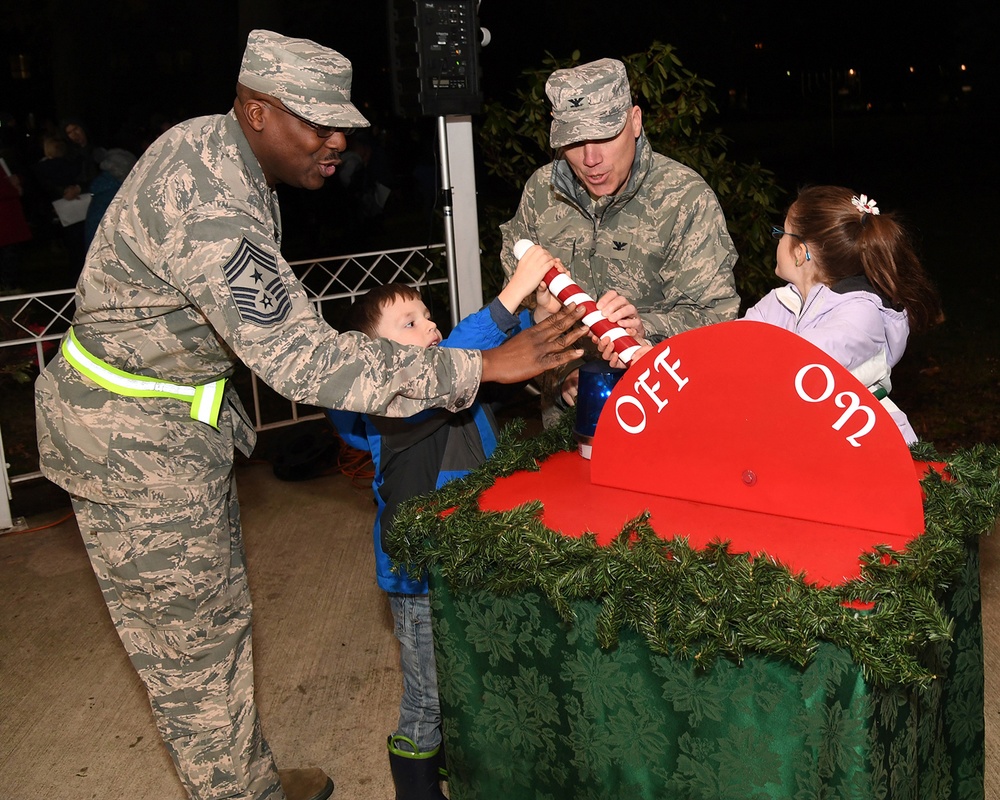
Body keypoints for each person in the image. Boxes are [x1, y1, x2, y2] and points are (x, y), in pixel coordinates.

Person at [34, 29, 586, 800]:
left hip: (163, 423)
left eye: (342, 126)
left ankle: (244, 775)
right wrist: (481, 365)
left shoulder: (219, 151)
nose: (337, 142)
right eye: (315, 124)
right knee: (195, 651)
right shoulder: (213, 202)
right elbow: (303, 359)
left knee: (219, 625)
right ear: (257, 111)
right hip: (134, 443)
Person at [328, 246, 565, 800]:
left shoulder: (459, 391)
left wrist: (541, 314)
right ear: (375, 358)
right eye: (407, 323)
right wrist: (509, 300)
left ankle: (470, 765)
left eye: (425, 315)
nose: (428, 326)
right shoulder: (390, 405)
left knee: (478, 670)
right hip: (419, 579)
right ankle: (415, 788)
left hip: (472, 563)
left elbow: (491, 362)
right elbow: (465, 352)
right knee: (428, 696)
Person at [499, 57, 740, 426]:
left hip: (664, 416)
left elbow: (716, 320)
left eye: (605, 137)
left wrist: (645, 327)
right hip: (565, 424)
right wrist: (560, 375)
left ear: (635, 121)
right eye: (575, 141)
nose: (591, 159)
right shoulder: (540, 195)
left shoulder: (683, 198)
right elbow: (514, 311)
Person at [742, 185, 943, 443]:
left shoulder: (860, 314)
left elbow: (801, 368)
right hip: (805, 440)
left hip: (870, 448)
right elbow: (733, 348)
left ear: (800, 253)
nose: (777, 240)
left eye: (782, 232)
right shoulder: (780, 302)